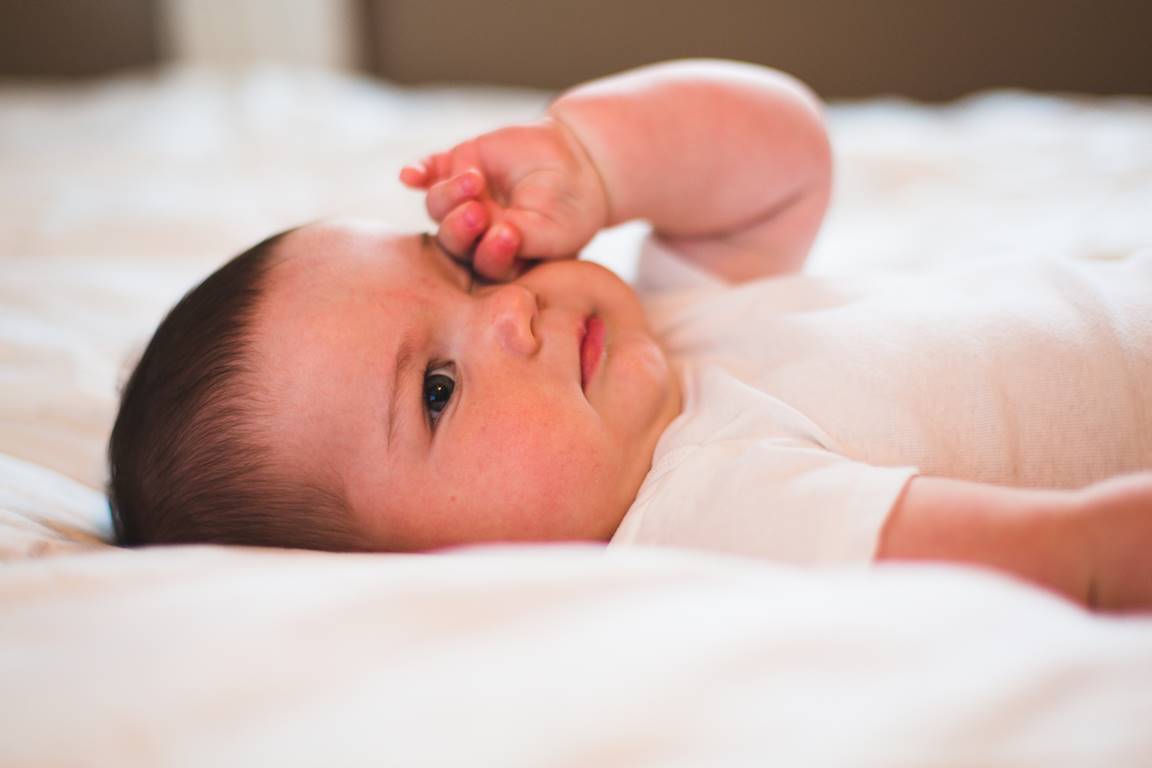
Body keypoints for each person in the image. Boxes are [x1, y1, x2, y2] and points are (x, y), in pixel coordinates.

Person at [107, 60, 1152, 612]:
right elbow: (1075, 563)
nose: (510, 310)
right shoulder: (706, 514)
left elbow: (784, 151)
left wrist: (598, 162)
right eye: (435, 389)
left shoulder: (665, 332)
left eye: (460, 264)